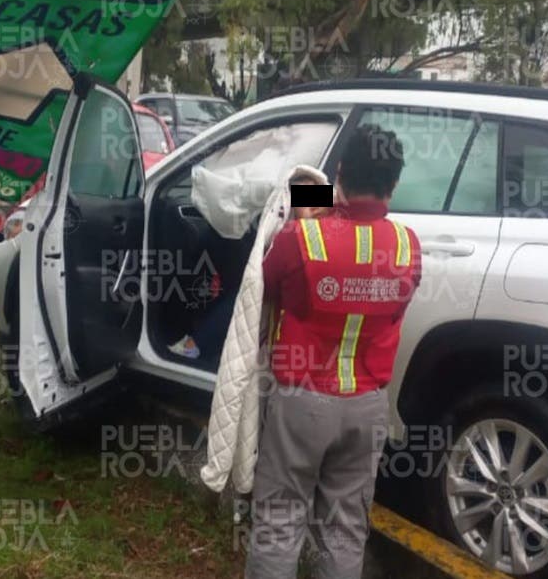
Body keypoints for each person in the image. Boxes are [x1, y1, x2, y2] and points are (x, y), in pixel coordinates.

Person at [246, 125, 422, 579]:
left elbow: (261, 288)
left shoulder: (301, 239)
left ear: (339, 173)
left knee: (279, 521)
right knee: (344, 529)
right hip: (367, 408)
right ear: (394, 184)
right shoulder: (408, 247)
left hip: (301, 402)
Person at [169, 177, 331, 360]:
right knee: (221, 243)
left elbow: (319, 215)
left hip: (308, 271)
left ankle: (197, 343)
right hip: (300, 257)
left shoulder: (331, 190)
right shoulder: (328, 183)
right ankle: (207, 333)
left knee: (251, 285)